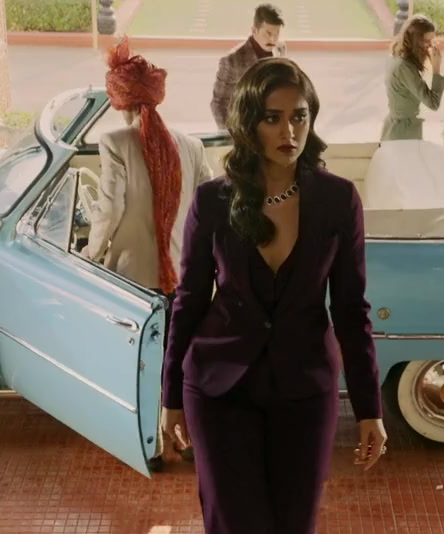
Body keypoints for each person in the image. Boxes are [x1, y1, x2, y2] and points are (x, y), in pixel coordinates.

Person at [160, 57, 387, 533]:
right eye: (273, 118)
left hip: (304, 392)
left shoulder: (338, 200)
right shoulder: (213, 201)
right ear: (249, 124)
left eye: (299, 116)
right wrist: (170, 396)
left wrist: (370, 409)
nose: (290, 131)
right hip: (219, 390)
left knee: (293, 525)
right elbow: (190, 302)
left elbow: (351, 310)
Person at [84, 38, 215, 295]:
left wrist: (92, 252)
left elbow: (110, 209)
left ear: (120, 100)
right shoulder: (193, 146)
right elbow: (209, 210)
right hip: (183, 279)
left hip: (131, 280)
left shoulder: (114, 142)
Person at [210, 3, 286, 131]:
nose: (273, 39)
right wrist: (230, 135)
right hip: (245, 130)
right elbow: (218, 104)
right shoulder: (231, 60)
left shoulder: (280, 49)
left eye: (276, 33)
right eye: (268, 33)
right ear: (254, 30)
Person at [381, 15, 444, 141]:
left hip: (395, 129)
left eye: (432, 40)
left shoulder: (396, 57)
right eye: (426, 41)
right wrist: (436, 68)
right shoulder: (405, 68)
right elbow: (433, 103)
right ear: (415, 40)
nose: (430, 46)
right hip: (403, 134)